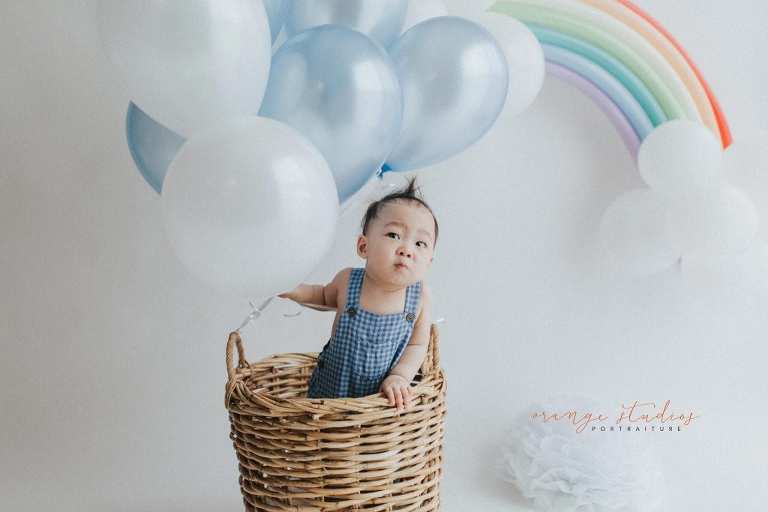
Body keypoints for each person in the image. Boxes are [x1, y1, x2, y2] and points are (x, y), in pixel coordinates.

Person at [278, 176, 438, 411]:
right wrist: (295, 290)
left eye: (420, 244)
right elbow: (322, 297)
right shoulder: (348, 281)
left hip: (380, 401)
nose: (406, 249)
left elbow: (417, 346)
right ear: (363, 246)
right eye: (394, 235)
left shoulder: (420, 296)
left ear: (429, 261)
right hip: (331, 393)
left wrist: (400, 378)